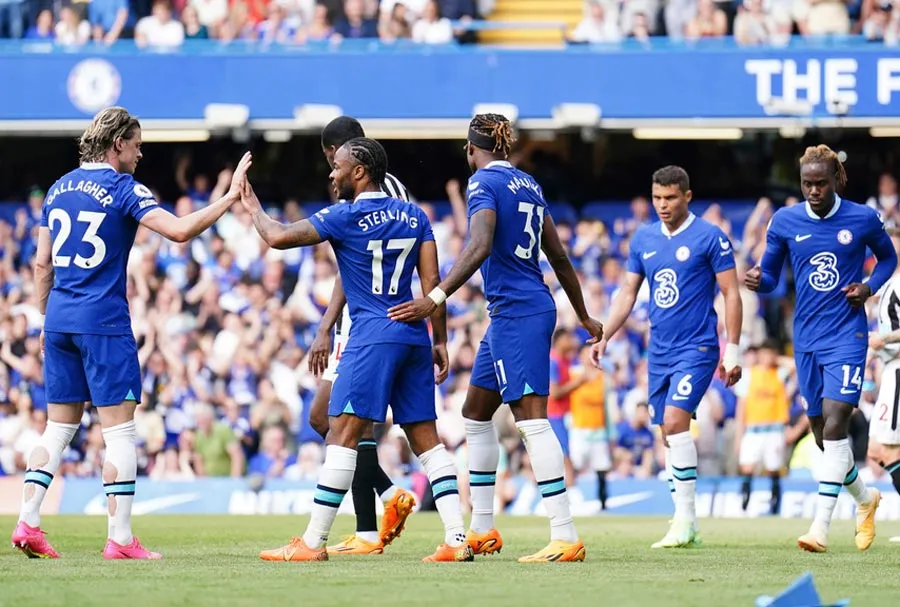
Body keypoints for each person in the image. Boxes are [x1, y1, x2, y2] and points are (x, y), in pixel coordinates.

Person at [11, 106, 251, 560]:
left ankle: (29, 522)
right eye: (137, 144)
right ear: (117, 143)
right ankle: (120, 539)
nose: (141, 154)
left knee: (57, 429)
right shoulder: (122, 188)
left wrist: (47, 319)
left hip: (60, 318)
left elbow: (42, 265)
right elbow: (178, 231)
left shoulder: (58, 188)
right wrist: (228, 199)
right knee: (119, 433)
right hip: (103, 322)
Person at [388, 113, 604, 563]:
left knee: (530, 420)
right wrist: (582, 314)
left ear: (471, 149)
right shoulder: (529, 184)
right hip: (515, 311)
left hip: (518, 313)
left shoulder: (481, 184)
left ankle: (565, 535)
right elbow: (558, 256)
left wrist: (437, 295)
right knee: (475, 412)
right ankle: (483, 529)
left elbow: (480, 242)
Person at [249, 137, 473, 563]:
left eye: (337, 167)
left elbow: (275, 237)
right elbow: (432, 287)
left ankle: (312, 543)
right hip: (412, 335)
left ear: (359, 171)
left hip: (370, 335)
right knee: (428, 441)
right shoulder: (416, 215)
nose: (331, 174)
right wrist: (439, 339)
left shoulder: (344, 216)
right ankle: (456, 541)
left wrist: (248, 200)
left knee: (342, 433)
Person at [745, 144, 897, 553]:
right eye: (806, 183)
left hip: (847, 334)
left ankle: (820, 528)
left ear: (836, 180)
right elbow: (774, 277)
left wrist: (867, 288)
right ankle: (867, 500)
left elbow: (887, 259)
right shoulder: (784, 221)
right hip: (806, 338)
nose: (813, 190)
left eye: (820, 183)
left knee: (836, 423)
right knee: (822, 438)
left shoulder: (862, 218)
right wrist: (761, 279)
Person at [591, 165, 743, 548]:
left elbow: (731, 293)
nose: (662, 204)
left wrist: (734, 349)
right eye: (657, 197)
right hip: (659, 351)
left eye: (670, 198)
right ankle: (684, 520)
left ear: (687, 196)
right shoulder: (643, 239)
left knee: (676, 422)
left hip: (698, 347)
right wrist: (605, 335)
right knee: (667, 434)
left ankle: (685, 521)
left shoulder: (709, 237)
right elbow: (627, 292)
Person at [304, 116, 416, 556]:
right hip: (378, 316)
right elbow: (351, 266)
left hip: (371, 320)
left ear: (337, 152)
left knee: (333, 420)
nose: (330, 168)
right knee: (341, 422)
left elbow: (360, 269)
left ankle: (374, 519)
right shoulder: (396, 189)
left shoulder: (371, 195)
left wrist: (328, 325)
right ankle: (379, 511)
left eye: (330, 157)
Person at [733, 340, 791, 515]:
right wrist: (738, 435)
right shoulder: (749, 375)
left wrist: (777, 359)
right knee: (747, 467)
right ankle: (744, 502)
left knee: (773, 468)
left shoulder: (778, 373)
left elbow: (795, 366)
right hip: (753, 430)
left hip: (774, 429)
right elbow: (741, 408)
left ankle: (775, 506)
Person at [865, 270, 900, 542]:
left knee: (890, 451)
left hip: (898, 368)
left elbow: (886, 336)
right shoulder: (888, 282)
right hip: (889, 368)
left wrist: (884, 340)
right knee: (876, 450)